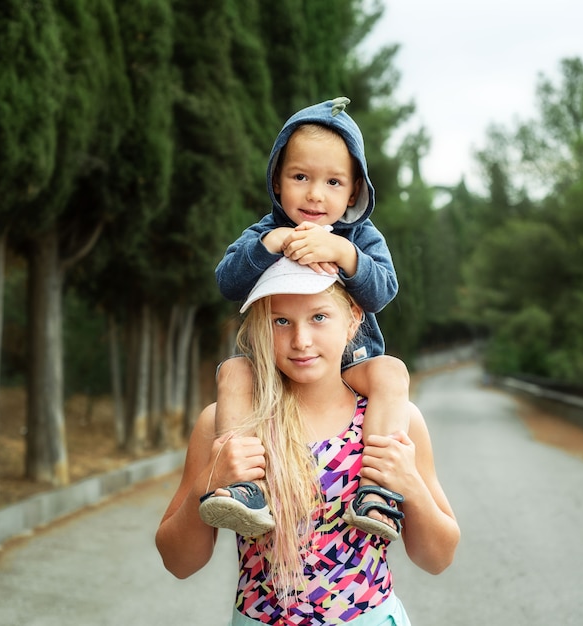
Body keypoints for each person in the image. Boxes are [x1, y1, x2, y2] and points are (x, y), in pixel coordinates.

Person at [155, 258, 460, 626]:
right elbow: (179, 563)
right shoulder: (229, 424)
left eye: (319, 317)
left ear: (352, 319)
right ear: (258, 330)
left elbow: (438, 558)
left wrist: (409, 484)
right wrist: (210, 481)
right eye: (281, 321)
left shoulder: (392, 421)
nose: (301, 341)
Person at [207, 97, 410, 541]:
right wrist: (271, 244)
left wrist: (345, 253)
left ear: (354, 191)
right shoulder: (265, 232)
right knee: (233, 371)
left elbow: (383, 292)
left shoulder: (361, 236)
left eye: (333, 181)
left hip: (349, 366)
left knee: (392, 372)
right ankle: (246, 488)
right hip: (275, 368)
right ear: (277, 182)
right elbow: (227, 282)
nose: (315, 194)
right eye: (300, 177)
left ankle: (376, 491)